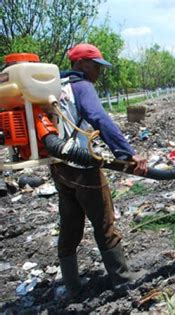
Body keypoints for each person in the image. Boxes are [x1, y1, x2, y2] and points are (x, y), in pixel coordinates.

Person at [52, 43, 147, 299]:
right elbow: (99, 117)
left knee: (70, 225)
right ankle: (124, 280)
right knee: (105, 223)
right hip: (83, 167)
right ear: (80, 64)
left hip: (59, 167)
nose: (99, 72)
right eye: (96, 66)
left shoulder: (53, 87)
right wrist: (127, 153)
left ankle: (72, 286)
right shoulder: (82, 86)